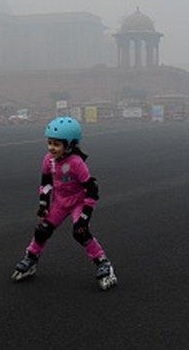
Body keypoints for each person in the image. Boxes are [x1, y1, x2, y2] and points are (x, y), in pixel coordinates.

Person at [11, 116, 118, 291]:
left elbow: (92, 189)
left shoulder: (76, 163)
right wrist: (44, 205)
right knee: (42, 230)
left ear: (69, 145)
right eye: (49, 143)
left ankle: (103, 263)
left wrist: (84, 217)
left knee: (80, 232)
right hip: (60, 202)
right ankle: (31, 258)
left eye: (56, 144)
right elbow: (46, 184)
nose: (51, 148)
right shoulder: (48, 160)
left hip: (78, 201)